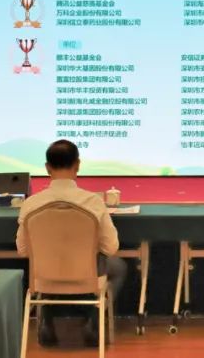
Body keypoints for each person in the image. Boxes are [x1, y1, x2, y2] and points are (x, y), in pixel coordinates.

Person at [16, 140, 125, 347]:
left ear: (47, 168)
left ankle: (46, 324)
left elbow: (22, 250)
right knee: (118, 267)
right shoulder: (93, 202)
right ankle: (95, 323)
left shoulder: (31, 204)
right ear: (78, 165)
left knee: (45, 264)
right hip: (88, 275)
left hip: (43, 278)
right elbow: (111, 247)